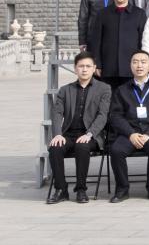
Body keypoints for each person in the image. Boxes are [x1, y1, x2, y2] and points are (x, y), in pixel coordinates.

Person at [46, 52, 112, 204]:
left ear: (94, 68)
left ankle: (81, 189)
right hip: (68, 133)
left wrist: (89, 134)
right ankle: (61, 189)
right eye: (81, 66)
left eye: (88, 66)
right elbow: (56, 113)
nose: (84, 69)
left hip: (91, 135)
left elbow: (103, 115)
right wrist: (57, 134)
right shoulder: (65, 90)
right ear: (75, 69)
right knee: (55, 148)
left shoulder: (104, 88)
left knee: (82, 146)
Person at [107, 50, 149, 202]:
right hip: (129, 133)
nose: (139, 65)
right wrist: (131, 134)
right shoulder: (121, 90)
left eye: (143, 62)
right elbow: (116, 116)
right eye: (135, 62)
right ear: (130, 65)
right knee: (116, 151)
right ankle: (122, 189)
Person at [88, 0, 147, 89]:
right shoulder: (102, 14)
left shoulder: (139, 14)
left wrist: (142, 64)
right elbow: (95, 41)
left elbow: (143, 41)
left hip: (131, 68)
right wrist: (96, 64)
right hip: (107, 67)